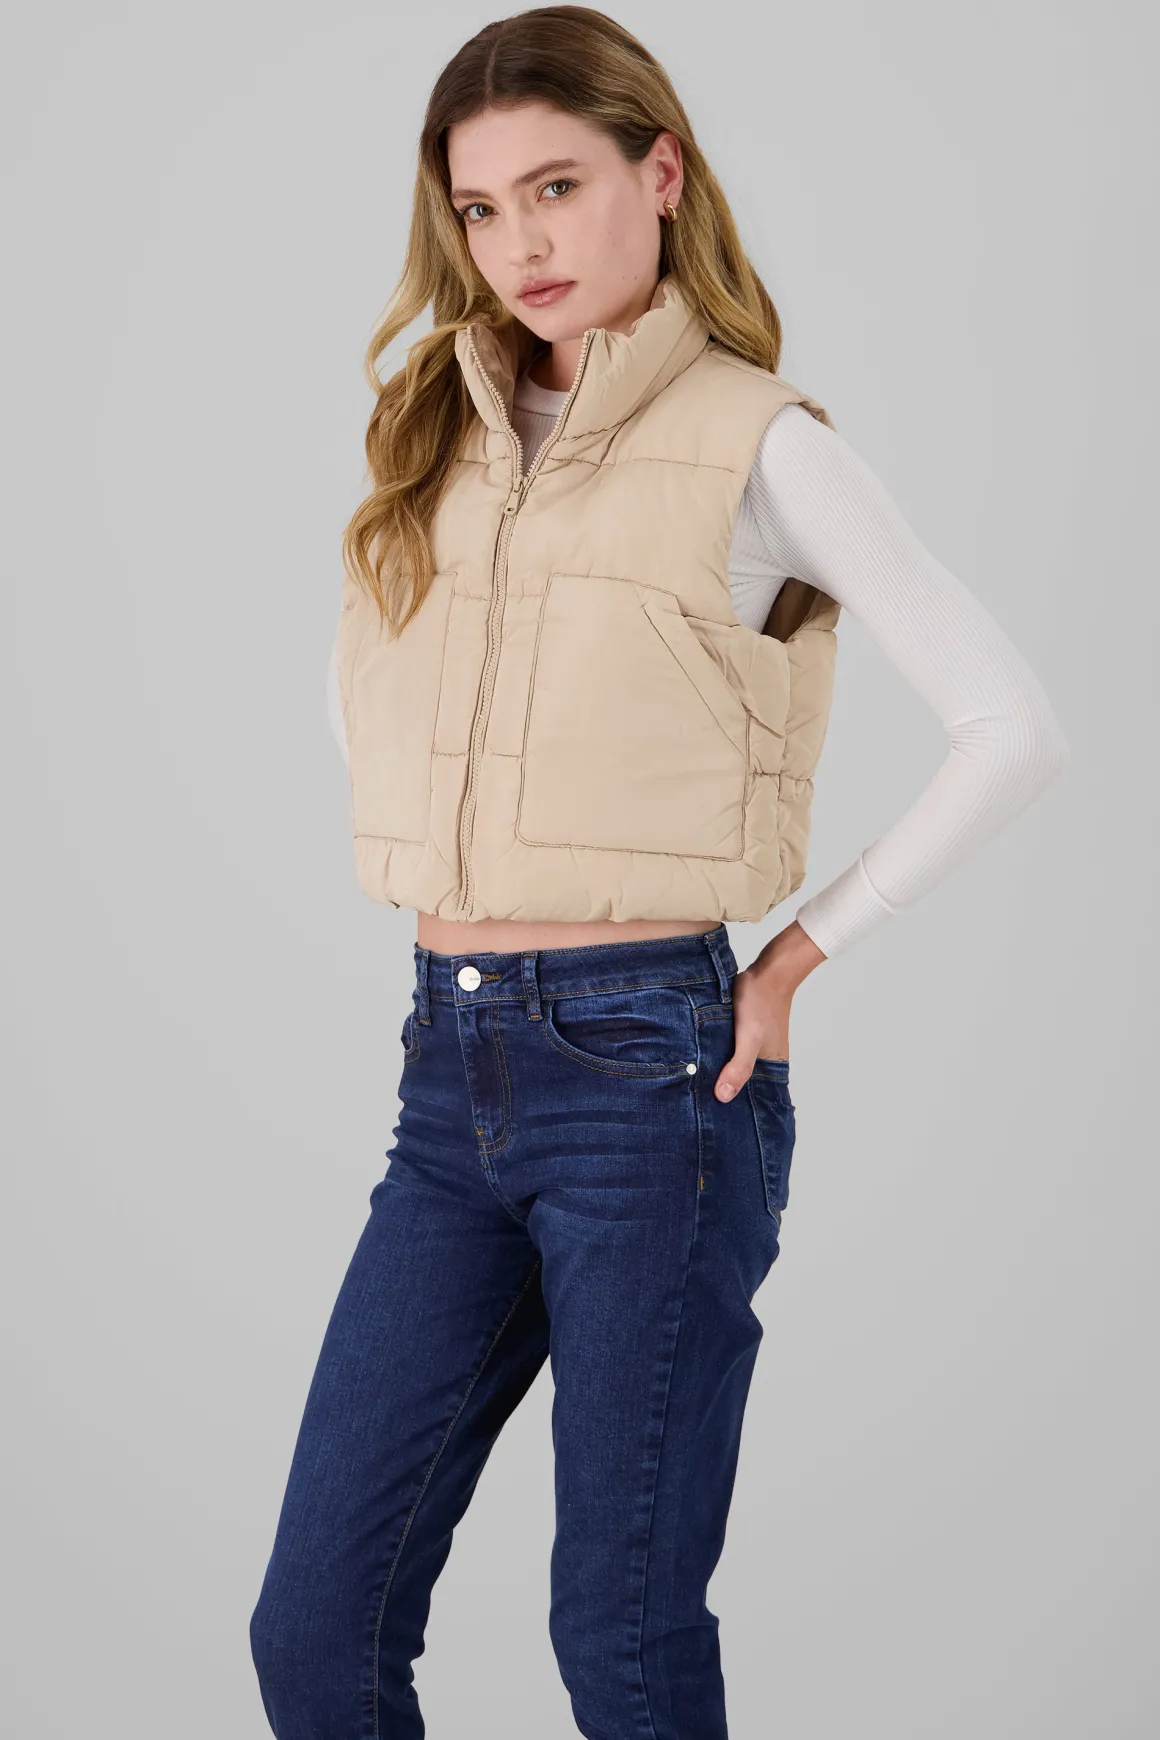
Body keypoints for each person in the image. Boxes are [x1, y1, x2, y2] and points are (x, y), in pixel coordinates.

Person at [249, 8, 1069, 1735]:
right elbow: (370, 706)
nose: (520, 243)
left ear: (662, 172)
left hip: (652, 1077)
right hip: (447, 1071)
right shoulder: (431, 435)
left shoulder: (763, 443)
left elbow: (1013, 726)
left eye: (559, 186)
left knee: (618, 1644)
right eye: (481, 208)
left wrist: (794, 958)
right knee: (314, 1630)